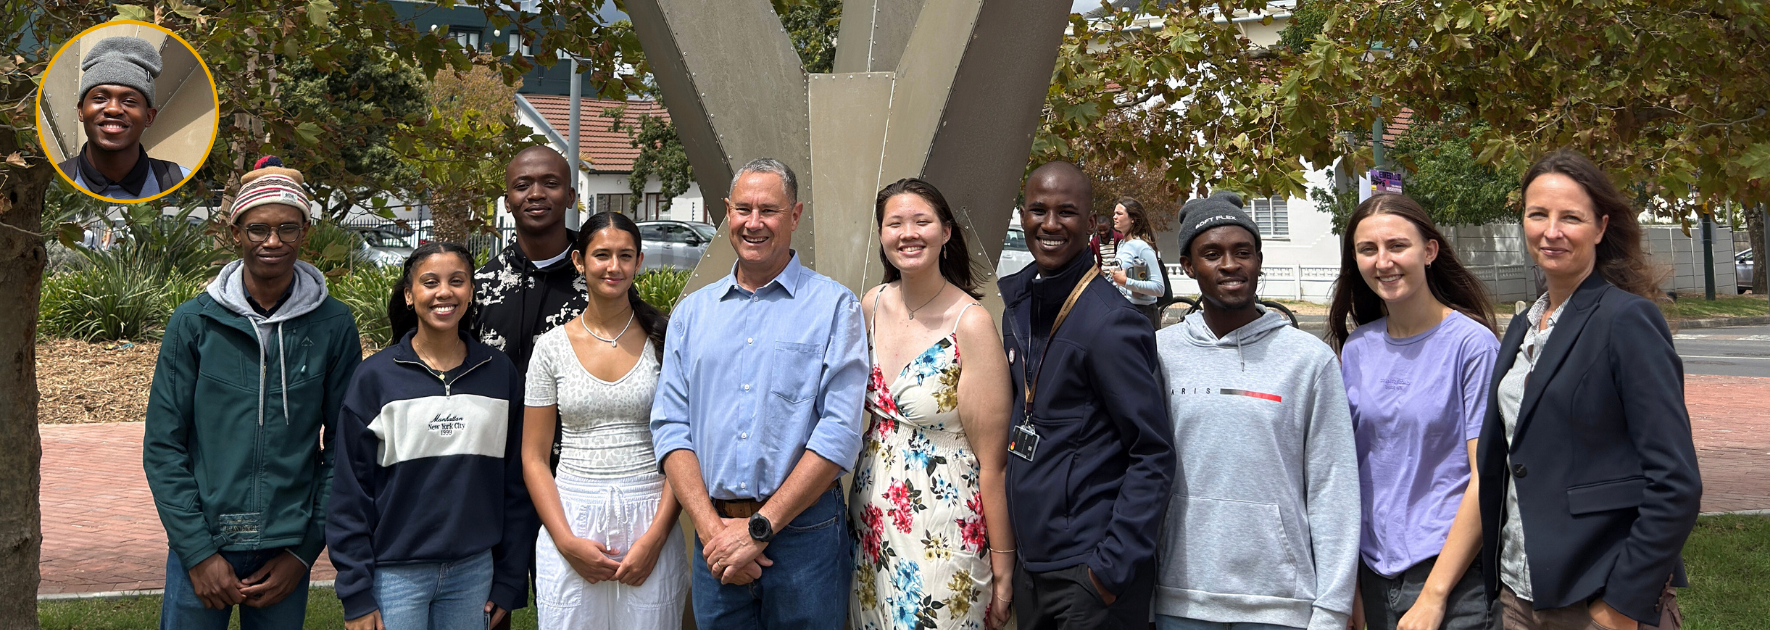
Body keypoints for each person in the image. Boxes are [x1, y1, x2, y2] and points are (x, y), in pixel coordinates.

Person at [1478, 151, 1701, 630]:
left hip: (1594, 598)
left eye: (1570, 218)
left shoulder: (1626, 320)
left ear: (1600, 227)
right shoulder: (1522, 325)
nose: (1551, 231)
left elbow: (1676, 483)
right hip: (1519, 593)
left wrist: (1622, 602)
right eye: (1538, 214)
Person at [650, 158, 869, 629]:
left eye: (769, 210)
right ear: (726, 212)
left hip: (804, 537)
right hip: (717, 540)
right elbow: (670, 426)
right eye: (743, 209)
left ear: (795, 216)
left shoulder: (834, 307)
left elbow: (839, 432)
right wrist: (715, 533)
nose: (754, 223)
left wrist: (759, 529)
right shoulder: (692, 315)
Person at [144, 161, 361, 629]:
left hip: (285, 547)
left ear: (306, 230)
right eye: (258, 228)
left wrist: (303, 554)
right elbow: (164, 447)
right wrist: (199, 553)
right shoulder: (194, 322)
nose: (273, 241)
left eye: (287, 228)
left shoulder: (333, 324)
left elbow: (344, 449)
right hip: (204, 543)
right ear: (235, 230)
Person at [1153, 191, 1359, 630]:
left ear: (1259, 260)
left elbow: (1333, 487)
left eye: (1242, 252)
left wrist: (1333, 608)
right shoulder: (1159, 354)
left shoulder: (1308, 360)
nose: (1230, 265)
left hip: (1282, 605)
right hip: (1181, 599)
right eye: (1212, 254)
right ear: (1189, 266)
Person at [997, 161, 1174, 629]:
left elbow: (1152, 453)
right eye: (1038, 210)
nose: (1050, 224)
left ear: (1090, 222)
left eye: (1066, 212)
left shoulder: (1112, 323)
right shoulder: (1014, 307)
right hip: (1032, 566)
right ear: (1022, 215)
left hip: (1089, 576)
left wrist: (1107, 572)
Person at [328, 242, 535, 630]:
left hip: (473, 572)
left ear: (471, 291)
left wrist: (508, 580)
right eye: (430, 282)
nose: (445, 292)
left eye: (457, 281)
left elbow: (516, 485)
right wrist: (355, 592)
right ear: (409, 295)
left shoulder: (499, 373)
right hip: (394, 575)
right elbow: (349, 492)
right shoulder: (375, 378)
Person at [1326, 194, 1498, 630]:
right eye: (1368, 250)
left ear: (1429, 250)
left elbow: (1487, 477)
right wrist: (1351, 585)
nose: (1383, 261)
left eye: (1397, 245)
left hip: (1449, 575)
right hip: (1372, 572)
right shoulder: (1358, 348)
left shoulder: (1472, 346)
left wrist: (1435, 596)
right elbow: (1346, 472)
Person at [850, 178, 1016, 629]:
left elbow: (992, 463)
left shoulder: (972, 323)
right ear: (881, 236)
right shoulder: (871, 304)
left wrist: (1004, 566)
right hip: (870, 525)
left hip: (944, 528)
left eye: (921, 221)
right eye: (895, 223)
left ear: (945, 232)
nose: (908, 233)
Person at [523, 212, 688, 629]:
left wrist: (654, 539)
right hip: (573, 517)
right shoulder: (550, 348)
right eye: (601, 255)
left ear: (639, 262)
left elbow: (683, 447)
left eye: (624, 256)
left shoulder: (667, 339)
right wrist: (565, 541)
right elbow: (534, 458)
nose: (613, 267)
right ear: (579, 261)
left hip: (652, 520)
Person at [474, 145, 589, 375]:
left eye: (551, 183)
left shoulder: (600, 276)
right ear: (507, 202)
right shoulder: (482, 286)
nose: (536, 194)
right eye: (522, 186)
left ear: (570, 197)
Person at [60, 36, 191, 199]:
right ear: (80, 111)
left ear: (149, 117)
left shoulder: (180, 181)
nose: (113, 109)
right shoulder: (52, 182)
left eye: (129, 101)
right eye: (100, 98)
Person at [1107, 198, 1166, 329]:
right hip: (1125, 311)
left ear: (1133, 218)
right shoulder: (1122, 244)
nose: (1114, 217)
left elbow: (1159, 288)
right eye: (1114, 213)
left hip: (1143, 315)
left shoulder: (1142, 247)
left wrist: (1125, 281)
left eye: (1119, 213)